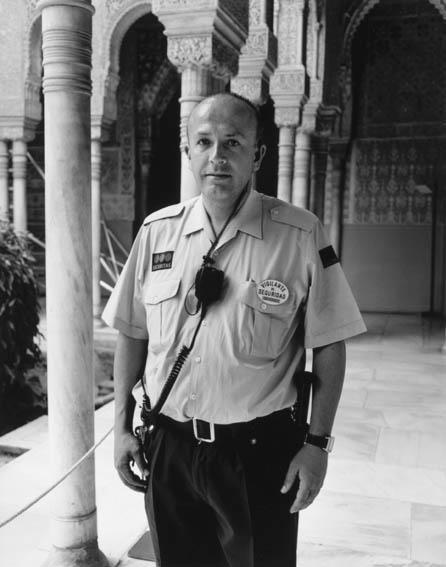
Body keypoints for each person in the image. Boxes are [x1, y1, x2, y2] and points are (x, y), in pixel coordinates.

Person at [102, 92, 366, 567]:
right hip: (170, 448)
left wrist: (317, 444)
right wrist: (121, 428)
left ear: (258, 155)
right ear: (188, 152)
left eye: (233, 143)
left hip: (259, 455)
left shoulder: (299, 235)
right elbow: (133, 334)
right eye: (203, 142)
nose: (217, 157)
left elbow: (329, 344)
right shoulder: (156, 232)